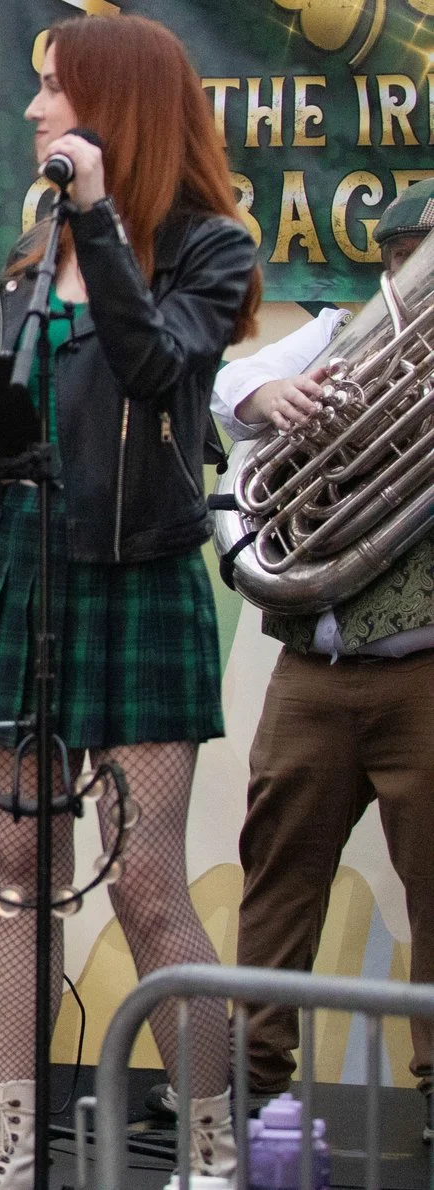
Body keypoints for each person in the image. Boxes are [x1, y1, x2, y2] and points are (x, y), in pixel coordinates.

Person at [0, 15, 261, 1190]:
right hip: (30, 566)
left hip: (138, 576)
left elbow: (157, 368)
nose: (32, 113)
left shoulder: (209, 250)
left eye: (54, 91)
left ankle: (213, 1152)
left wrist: (104, 226)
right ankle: (13, 1141)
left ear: (109, 108)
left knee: (143, 882)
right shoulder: (23, 265)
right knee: (19, 874)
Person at [213, 179, 434, 1139]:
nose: (417, 283)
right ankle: (253, 1084)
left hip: (424, 673)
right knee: (277, 877)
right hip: (314, 668)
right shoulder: (342, 333)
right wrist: (271, 393)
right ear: (388, 262)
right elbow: (224, 388)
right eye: (410, 261)